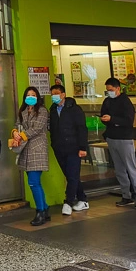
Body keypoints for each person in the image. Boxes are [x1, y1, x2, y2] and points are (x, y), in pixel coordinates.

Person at [101, 77, 136, 210]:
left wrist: (112, 119)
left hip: (125, 138)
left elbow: (128, 121)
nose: (109, 92)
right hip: (111, 137)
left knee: (131, 168)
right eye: (107, 90)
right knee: (119, 169)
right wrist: (105, 119)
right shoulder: (107, 101)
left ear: (118, 88)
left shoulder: (125, 102)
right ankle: (126, 194)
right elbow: (103, 114)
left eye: (111, 90)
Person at [49, 83, 88, 215]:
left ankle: (68, 202)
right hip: (59, 148)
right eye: (52, 94)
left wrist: (83, 147)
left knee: (72, 176)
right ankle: (82, 199)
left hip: (74, 147)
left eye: (56, 93)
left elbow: (82, 128)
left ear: (63, 94)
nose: (54, 96)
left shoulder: (74, 109)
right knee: (71, 175)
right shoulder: (53, 110)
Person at [14, 86, 50, 226]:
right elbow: (17, 125)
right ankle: (45, 209)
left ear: (37, 96)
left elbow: (37, 128)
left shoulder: (42, 110)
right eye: (28, 95)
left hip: (37, 149)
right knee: (34, 182)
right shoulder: (23, 111)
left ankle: (40, 212)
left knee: (33, 182)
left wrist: (21, 135)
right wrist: (15, 133)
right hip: (26, 150)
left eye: (33, 95)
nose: (30, 97)